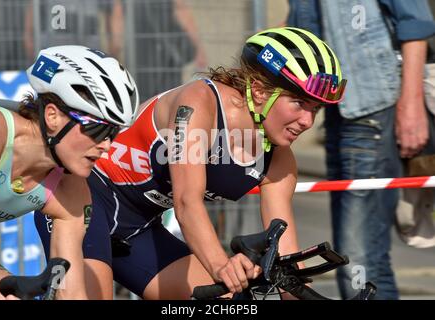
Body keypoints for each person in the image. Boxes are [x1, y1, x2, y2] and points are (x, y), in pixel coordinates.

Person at [35, 27, 347, 299]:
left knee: (228, 302)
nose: (307, 121)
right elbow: (186, 203)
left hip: (140, 229)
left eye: (316, 110)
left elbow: (287, 257)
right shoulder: (200, 104)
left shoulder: (279, 159)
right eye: (299, 103)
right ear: (260, 91)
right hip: (83, 200)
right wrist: (222, 266)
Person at [287, 0, 435, 299]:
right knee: (354, 254)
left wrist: (411, 106)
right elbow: (303, 36)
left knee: (360, 255)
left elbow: (415, 26)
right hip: (337, 112)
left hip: (374, 107)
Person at [0, 45, 139, 299]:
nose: (107, 145)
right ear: (53, 116)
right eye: (97, 129)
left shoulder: (72, 190)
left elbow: (71, 290)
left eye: (113, 133)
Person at [131, 0, 207, 102]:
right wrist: (199, 49)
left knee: (142, 103)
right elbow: (181, 11)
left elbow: (118, 17)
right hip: (165, 58)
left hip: (142, 55)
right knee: (169, 101)